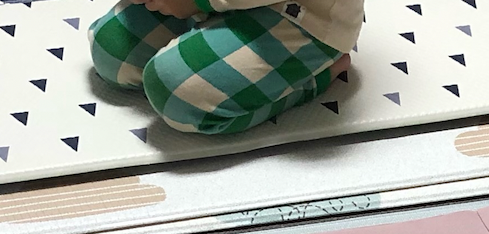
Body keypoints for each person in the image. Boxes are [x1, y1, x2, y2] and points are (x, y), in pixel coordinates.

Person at [89, 0, 358, 136]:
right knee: (110, 50)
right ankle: (207, 37)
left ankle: (316, 78)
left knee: (175, 92)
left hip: (306, 16)